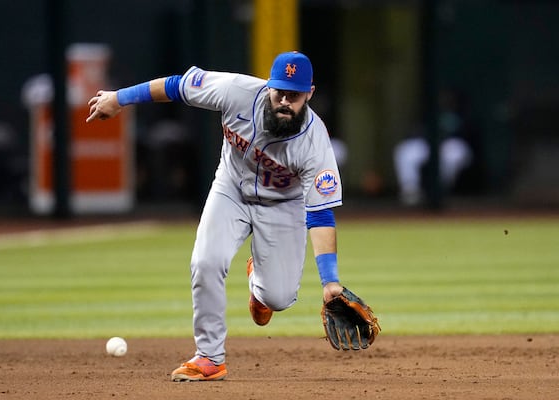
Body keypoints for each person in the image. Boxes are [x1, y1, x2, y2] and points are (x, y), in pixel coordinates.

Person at [87, 51, 378, 381]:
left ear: (309, 94)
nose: (284, 100)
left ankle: (259, 285)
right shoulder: (234, 90)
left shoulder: (315, 144)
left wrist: (329, 283)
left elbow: (321, 215)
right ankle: (209, 357)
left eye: (293, 95)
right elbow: (176, 86)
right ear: (268, 86)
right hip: (231, 190)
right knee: (205, 262)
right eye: (279, 91)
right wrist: (118, 98)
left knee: (278, 298)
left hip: (283, 207)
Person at [393, 88, 475, 206]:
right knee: (405, 150)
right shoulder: (426, 114)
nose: (445, 100)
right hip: (427, 144)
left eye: (448, 98)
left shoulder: (461, 114)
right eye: (442, 98)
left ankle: (441, 190)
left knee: (453, 153)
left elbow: (467, 135)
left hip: (450, 145)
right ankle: (411, 191)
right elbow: (414, 132)